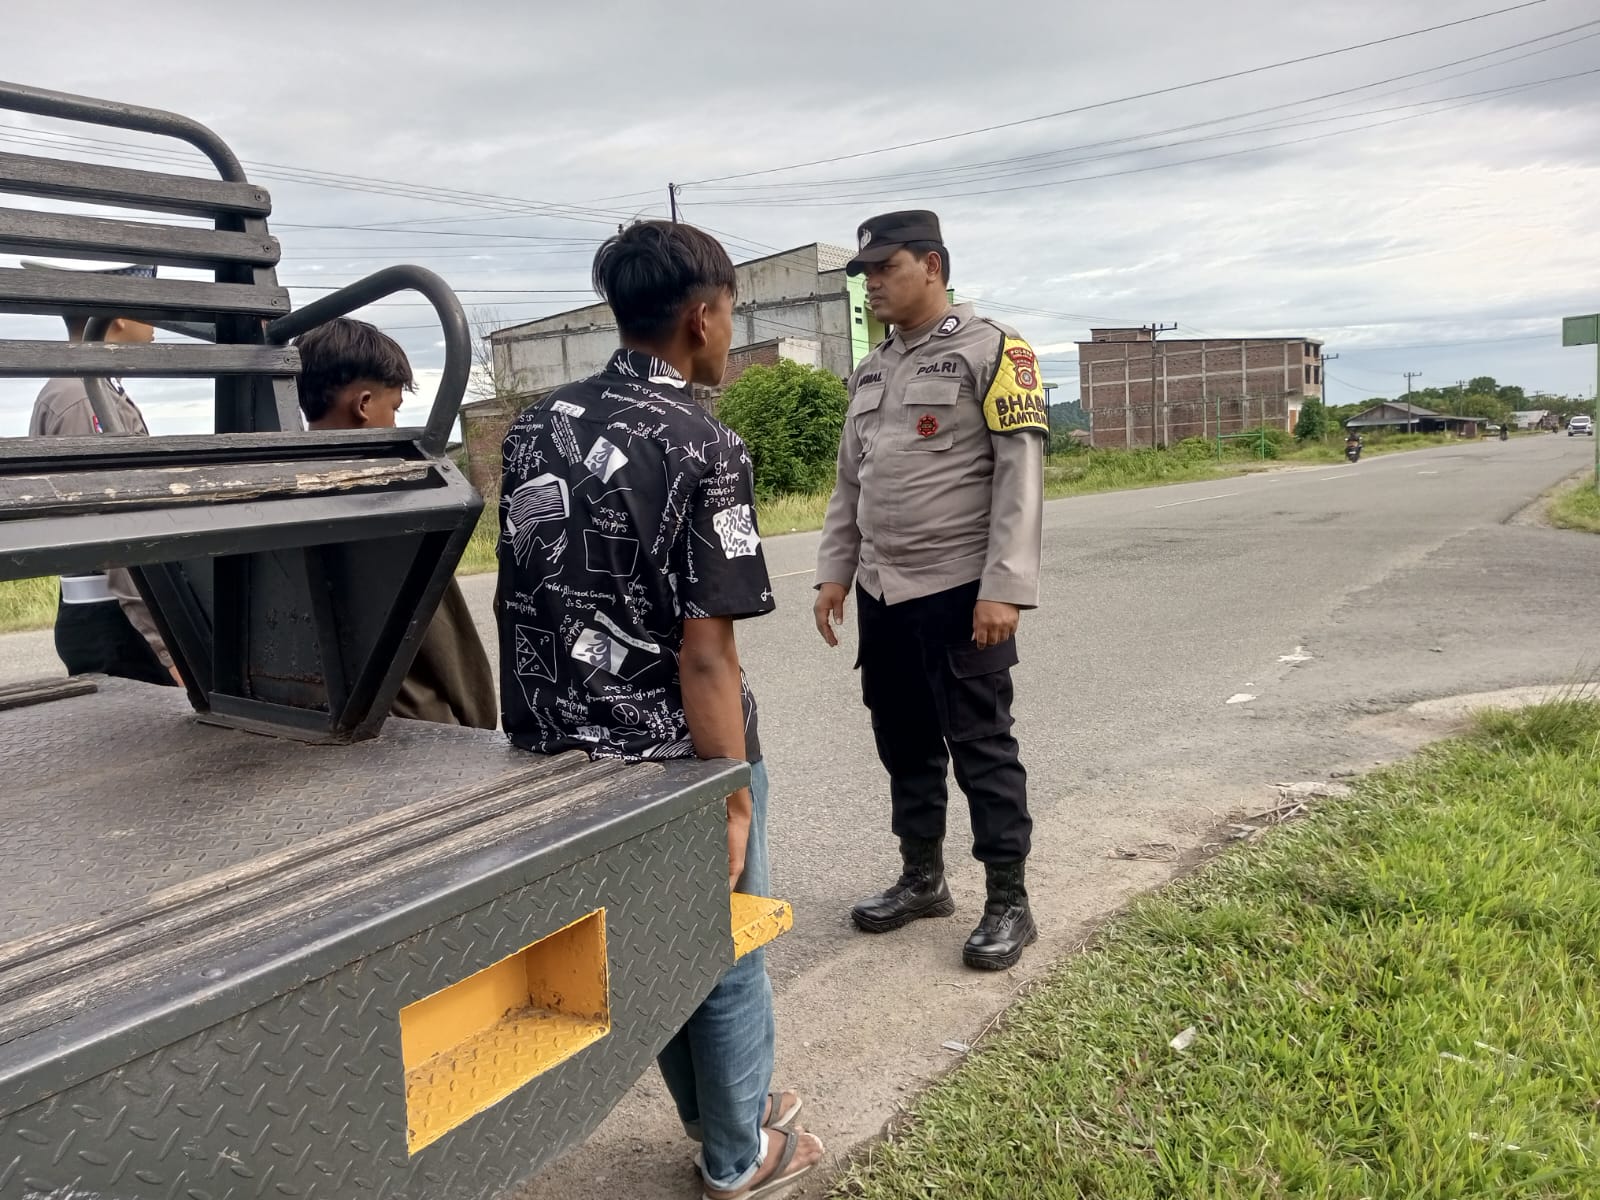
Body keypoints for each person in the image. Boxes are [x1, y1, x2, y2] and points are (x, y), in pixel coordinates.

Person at [495, 220, 822, 1198]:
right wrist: (732, 795)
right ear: (703, 317)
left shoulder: (535, 425)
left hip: (556, 746)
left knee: (654, 948)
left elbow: (529, 594)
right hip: (673, 755)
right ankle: (739, 1156)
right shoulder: (704, 443)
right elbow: (706, 653)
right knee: (725, 946)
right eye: (731, 316)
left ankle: (720, 1112)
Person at [813, 210, 1046, 972]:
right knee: (903, 739)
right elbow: (850, 484)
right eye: (866, 274)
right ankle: (923, 878)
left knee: (980, 745)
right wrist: (834, 572)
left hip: (960, 589)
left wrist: (1004, 587)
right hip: (883, 592)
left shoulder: (995, 351)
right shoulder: (871, 369)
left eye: (887, 268)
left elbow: (1020, 478)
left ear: (933, 267)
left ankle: (1009, 900)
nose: (873, 284)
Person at [291, 317, 496, 729]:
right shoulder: (392, 505)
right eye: (395, 409)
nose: (396, 423)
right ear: (364, 404)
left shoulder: (286, 494)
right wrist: (479, 723)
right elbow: (452, 654)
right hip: (409, 725)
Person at [26, 261, 178, 687]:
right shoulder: (84, 397)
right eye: (148, 309)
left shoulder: (90, 387)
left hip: (116, 618)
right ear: (120, 317)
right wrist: (166, 647)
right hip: (119, 625)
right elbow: (113, 532)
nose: (156, 323)